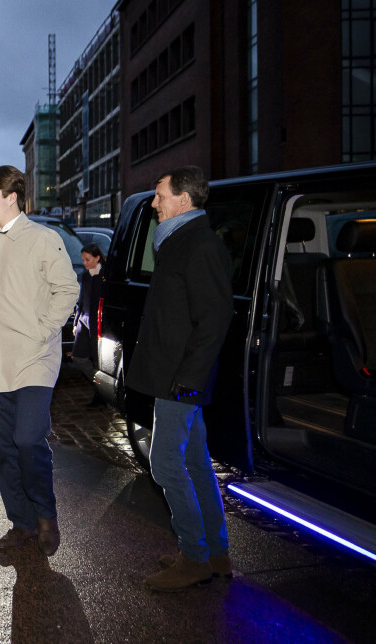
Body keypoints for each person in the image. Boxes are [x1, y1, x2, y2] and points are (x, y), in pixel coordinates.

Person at [127, 166, 234, 591]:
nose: (154, 204)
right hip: (174, 375)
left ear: (183, 200)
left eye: (160, 196)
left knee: (166, 463)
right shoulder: (176, 240)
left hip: (181, 379)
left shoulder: (199, 244)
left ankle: (194, 557)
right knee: (194, 461)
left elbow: (214, 318)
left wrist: (188, 380)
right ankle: (215, 551)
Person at [0, 166, 78, 557]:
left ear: (12, 196)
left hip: (33, 359)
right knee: (2, 449)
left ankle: (46, 516)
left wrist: (42, 329)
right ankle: (22, 521)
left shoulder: (43, 239)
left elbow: (67, 289)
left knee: (28, 439)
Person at [71, 244, 105, 408]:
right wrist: (77, 320)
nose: (84, 263)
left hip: (97, 323)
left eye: (87, 259)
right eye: (83, 260)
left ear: (97, 257)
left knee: (98, 361)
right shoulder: (86, 276)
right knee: (78, 356)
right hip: (84, 321)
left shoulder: (105, 276)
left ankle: (101, 393)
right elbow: (82, 300)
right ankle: (101, 385)